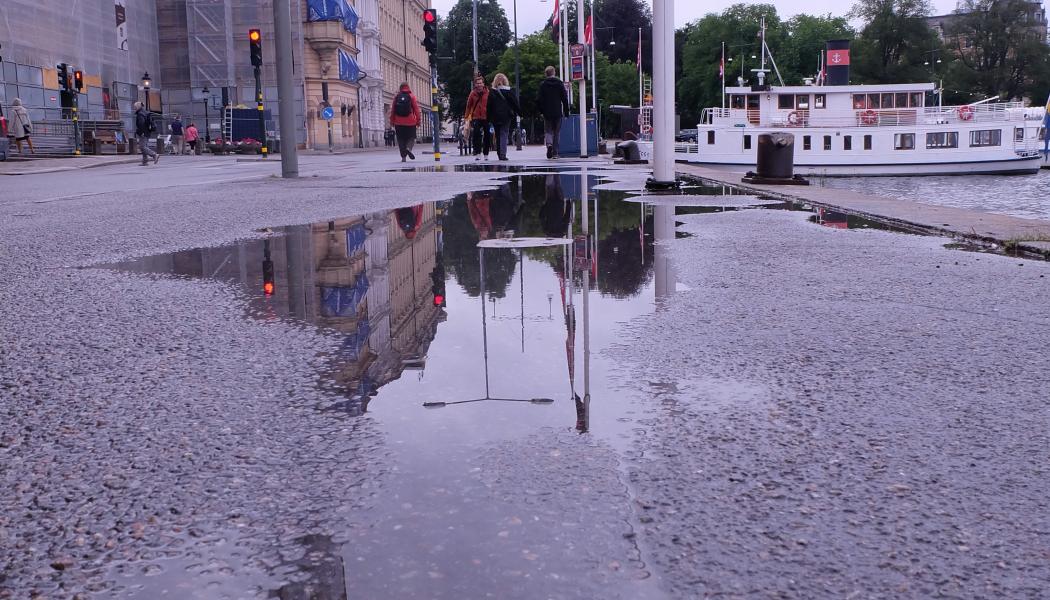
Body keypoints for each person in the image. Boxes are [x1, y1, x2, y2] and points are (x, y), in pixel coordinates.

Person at [537, 66, 570, 159]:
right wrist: (567, 112)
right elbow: (564, 98)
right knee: (557, 132)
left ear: (546, 74)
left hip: (547, 112)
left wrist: (541, 111)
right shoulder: (559, 83)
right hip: (557, 111)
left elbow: (539, 99)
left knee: (548, 130)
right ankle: (555, 153)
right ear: (554, 73)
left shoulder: (543, 85)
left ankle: (549, 144)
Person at [486, 73, 521, 161]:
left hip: (495, 117)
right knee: (504, 134)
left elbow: (488, 106)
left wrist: (488, 118)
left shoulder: (491, 92)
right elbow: (515, 103)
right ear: (505, 81)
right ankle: (502, 154)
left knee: (498, 135)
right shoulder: (509, 91)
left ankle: (499, 153)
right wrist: (519, 113)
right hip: (506, 116)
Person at [389, 82, 421, 162]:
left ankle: (403, 157)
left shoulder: (396, 97)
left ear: (400, 88)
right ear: (408, 87)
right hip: (410, 122)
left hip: (398, 122)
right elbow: (417, 110)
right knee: (411, 138)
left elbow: (392, 110)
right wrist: (418, 121)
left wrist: (392, 121)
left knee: (401, 139)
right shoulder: (411, 96)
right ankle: (408, 148)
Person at [465, 74, 491, 160]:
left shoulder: (488, 92)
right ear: (475, 84)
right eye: (477, 83)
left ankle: (486, 153)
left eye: (480, 83)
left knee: (487, 135)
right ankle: (477, 153)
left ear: (483, 84)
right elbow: (468, 105)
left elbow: (491, 105)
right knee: (476, 135)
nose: (479, 85)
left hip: (486, 116)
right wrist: (466, 117)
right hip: (476, 117)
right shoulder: (473, 93)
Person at [134, 101, 159, 166]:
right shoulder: (146, 112)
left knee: (142, 147)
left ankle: (154, 155)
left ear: (137, 107)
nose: (134, 108)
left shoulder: (140, 114)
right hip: (148, 131)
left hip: (143, 132)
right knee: (144, 146)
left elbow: (141, 124)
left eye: (135, 107)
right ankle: (145, 161)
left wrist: (141, 132)